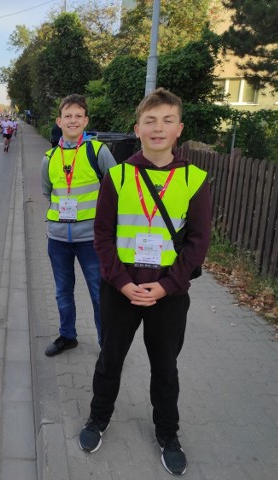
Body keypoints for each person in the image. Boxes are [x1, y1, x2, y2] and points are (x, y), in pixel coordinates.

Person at [78, 88, 211, 477]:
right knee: (110, 361)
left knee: (165, 368)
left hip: (168, 295)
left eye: (167, 120)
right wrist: (121, 283)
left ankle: (168, 434)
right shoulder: (118, 176)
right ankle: (97, 419)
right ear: (137, 129)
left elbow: (199, 243)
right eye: (150, 121)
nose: (158, 128)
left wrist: (167, 287)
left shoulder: (194, 178)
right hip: (121, 290)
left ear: (179, 129)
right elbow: (102, 236)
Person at [42, 94, 116, 356]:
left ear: (86, 121)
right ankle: (67, 336)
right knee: (63, 292)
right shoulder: (49, 158)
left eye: (78, 116)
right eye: (68, 116)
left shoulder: (98, 151)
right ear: (59, 121)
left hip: (91, 241)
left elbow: (115, 189)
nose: (73, 120)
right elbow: (48, 192)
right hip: (58, 239)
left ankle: (106, 345)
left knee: (99, 295)